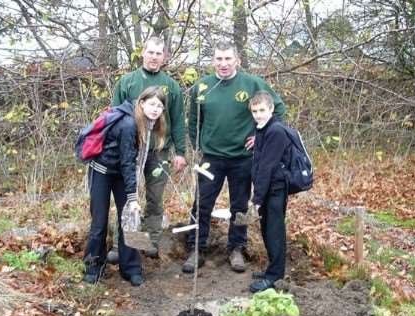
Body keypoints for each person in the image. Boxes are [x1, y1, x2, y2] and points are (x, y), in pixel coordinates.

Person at [184, 41, 286, 273]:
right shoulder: (202, 87)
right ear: (213, 62)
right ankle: (195, 248)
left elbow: (277, 110)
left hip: (242, 157)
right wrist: (199, 145)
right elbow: (193, 122)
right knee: (202, 203)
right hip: (211, 157)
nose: (223, 64)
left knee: (239, 205)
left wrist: (260, 137)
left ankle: (237, 248)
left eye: (228, 59)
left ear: (237, 60)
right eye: (219, 59)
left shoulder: (252, 84)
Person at [108, 36, 186, 261]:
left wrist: (180, 152)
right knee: (127, 198)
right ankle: (120, 244)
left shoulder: (171, 86)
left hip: (158, 151)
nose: (154, 57)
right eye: (150, 52)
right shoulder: (127, 81)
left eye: (158, 53)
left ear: (165, 56)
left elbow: (178, 120)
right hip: (130, 152)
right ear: (143, 53)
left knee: (154, 198)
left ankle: (150, 241)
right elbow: (114, 116)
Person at [83, 86, 167, 286]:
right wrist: (133, 197)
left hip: (121, 173)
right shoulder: (129, 123)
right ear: (142, 103)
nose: (156, 109)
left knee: (130, 220)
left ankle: (131, 267)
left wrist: (131, 198)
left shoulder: (149, 122)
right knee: (99, 221)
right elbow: (128, 161)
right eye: (152, 104)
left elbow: (133, 162)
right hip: (102, 172)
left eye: (160, 106)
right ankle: (94, 266)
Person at [248, 91, 291, 293]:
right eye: (254, 111)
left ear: (271, 109)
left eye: (262, 110)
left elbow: (267, 166)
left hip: (275, 189)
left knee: (274, 231)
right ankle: (271, 269)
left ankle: (274, 277)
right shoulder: (261, 129)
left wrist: (256, 198)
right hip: (266, 189)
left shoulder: (275, 131)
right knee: (266, 229)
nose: (258, 114)